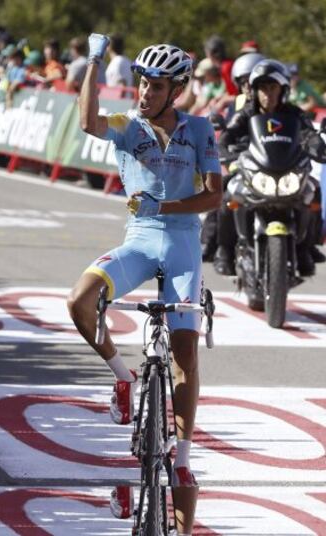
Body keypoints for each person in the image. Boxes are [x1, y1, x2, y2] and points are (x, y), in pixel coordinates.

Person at [67, 34, 222, 536]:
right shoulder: (126, 126)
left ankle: (182, 458)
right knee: (80, 300)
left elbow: (213, 198)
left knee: (185, 352)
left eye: (155, 85)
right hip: (137, 241)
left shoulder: (199, 129)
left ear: (175, 90)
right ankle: (123, 377)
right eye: (141, 82)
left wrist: (168, 207)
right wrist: (94, 60)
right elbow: (88, 121)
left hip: (180, 242)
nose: (144, 92)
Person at [214, 59, 326, 276]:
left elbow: (310, 135)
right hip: (254, 170)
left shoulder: (294, 114)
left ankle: (306, 248)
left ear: (283, 89)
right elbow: (227, 135)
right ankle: (224, 250)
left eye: (273, 87)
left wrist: (318, 147)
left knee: (313, 191)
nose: (268, 93)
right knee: (228, 194)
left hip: (287, 171)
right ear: (255, 91)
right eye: (263, 88)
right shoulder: (247, 113)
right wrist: (222, 150)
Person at [201, 51, 265, 262]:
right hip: (241, 162)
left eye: (253, 82)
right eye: (244, 82)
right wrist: (225, 153)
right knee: (223, 194)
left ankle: (305, 248)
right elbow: (226, 134)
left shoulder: (275, 105)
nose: (248, 87)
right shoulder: (236, 105)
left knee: (307, 192)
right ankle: (218, 246)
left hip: (270, 163)